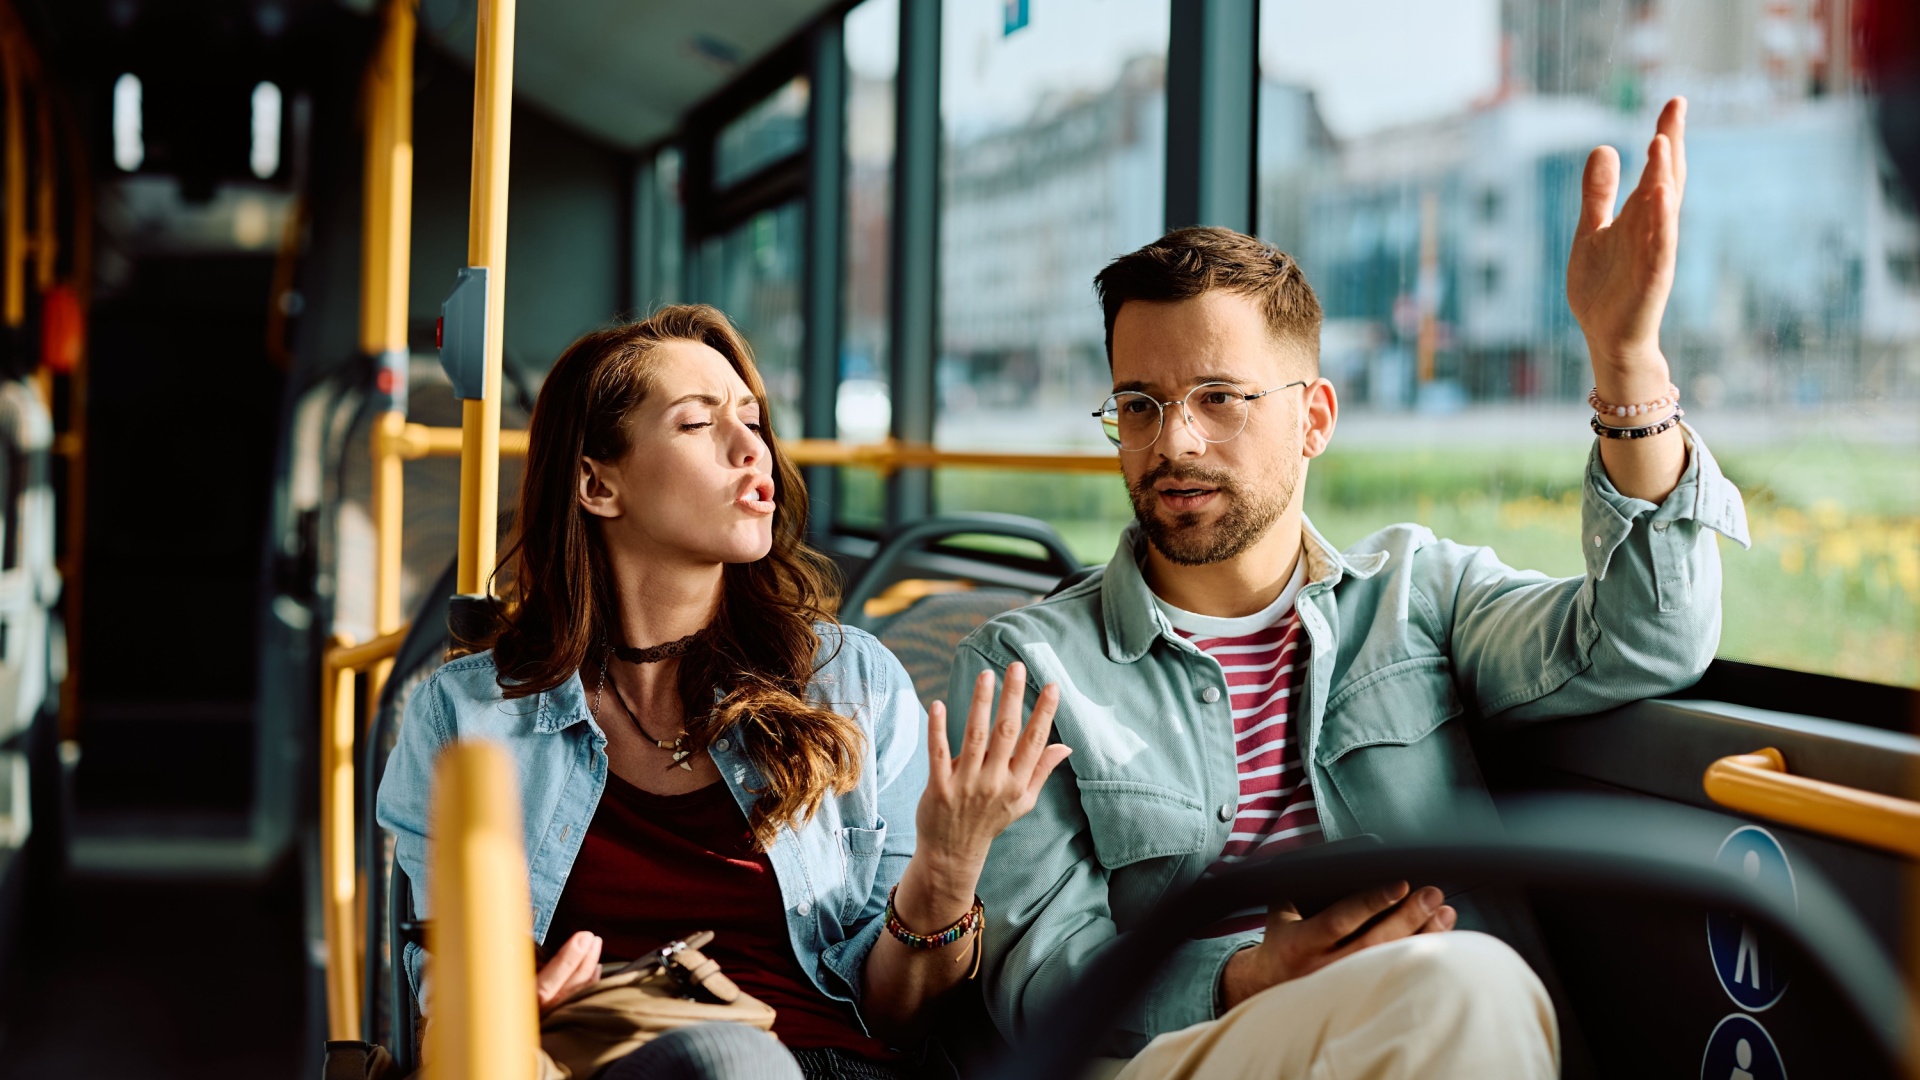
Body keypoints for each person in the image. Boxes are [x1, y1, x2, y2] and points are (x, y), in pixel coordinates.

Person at [950, 98, 1749, 1077]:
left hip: (1416, 1035)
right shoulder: (1028, 668)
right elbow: (1043, 986)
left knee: (1457, 988)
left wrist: (1628, 363)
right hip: (1172, 1057)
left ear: (1314, 418)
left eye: (1219, 399)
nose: (1175, 442)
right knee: (1469, 982)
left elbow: (1650, 640)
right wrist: (1244, 976)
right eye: (1139, 405)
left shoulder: (1417, 595)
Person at [377, 305, 1071, 1080]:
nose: (752, 448)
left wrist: (947, 865)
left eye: (753, 417)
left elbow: (896, 1015)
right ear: (596, 482)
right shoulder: (467, 718)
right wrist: (504, 1018)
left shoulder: (852, 684)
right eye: (698, 424)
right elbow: (447, 1036)